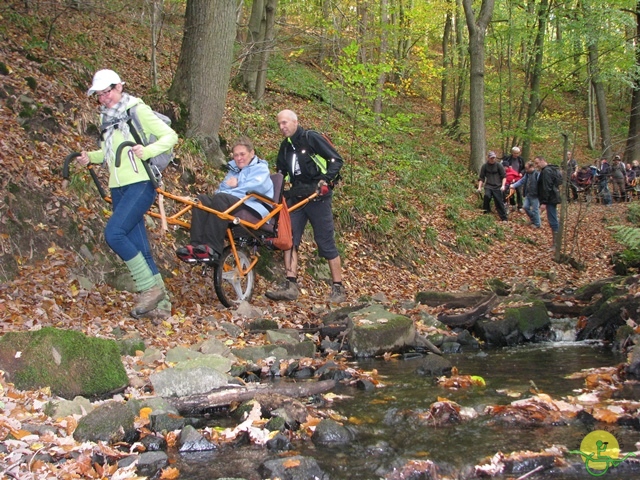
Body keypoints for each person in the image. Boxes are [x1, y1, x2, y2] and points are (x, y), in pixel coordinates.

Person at [78, 69, 178, 318]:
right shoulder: (106, 118)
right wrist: (89, 157)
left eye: (107, 92)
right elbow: (108, 154)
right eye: (99, 95)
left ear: (119, 87)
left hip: (141, 182)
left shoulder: (136, 109)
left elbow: (170, 136)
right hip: (118, 186)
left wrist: (148, 150)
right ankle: (162, 306)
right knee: (139, 247)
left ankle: (148, 288)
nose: (103, 98)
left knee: (114, 233)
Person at [265, 109, 346, 303]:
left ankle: (338, 288)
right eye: (279, 124)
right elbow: (281, 173)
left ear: (295, 121)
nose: (282, 127)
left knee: (325, 241)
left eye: (285, 123)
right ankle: (290, 284)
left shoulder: (311, 138)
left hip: (318, 197)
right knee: (289, 239)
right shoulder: (285, 147)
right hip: (295, 198)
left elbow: (336, 160)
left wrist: (325, 181)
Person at [176, 137, 274, 263]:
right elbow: (223, 188)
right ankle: (195, 246)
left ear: (252, 153)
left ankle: (213, 247)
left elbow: (256, 188)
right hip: (234, 200)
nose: (239, 158)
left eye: (242, 154)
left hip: (252, 205)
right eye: (236, 155)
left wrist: (238, 182)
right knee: (202, 200)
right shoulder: (234, 170)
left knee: (221, 199)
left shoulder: (260, 169)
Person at [535, 156, 562, 248]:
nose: (537, 165)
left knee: (553, 220)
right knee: (553, 219)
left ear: (543, 161)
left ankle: (556, 244)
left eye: (537, 163)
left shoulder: (547, 171)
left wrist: (544, 202)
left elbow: (546, 187)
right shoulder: (552, 169)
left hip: (550, 199)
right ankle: (556, 243)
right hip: (552, 197)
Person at [477, 151, 508, 221]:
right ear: (488, 158)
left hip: (497, 186)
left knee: (499, 202)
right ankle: (486, 213)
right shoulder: (484, 166)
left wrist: (503, 185)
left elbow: (504, 176)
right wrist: (479, 187)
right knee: (486, 197)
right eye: (491, 158)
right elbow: (481, 178)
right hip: (488, 186)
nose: (493, 159)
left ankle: (504, 218)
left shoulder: (499, 166)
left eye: (494, 158)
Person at [509, 161, 540, 228]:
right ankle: (533, 219)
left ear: (531, 167)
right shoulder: (527, 174)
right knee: (525, 207)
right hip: (528, 194)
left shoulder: (537, 174)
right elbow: (522, 181)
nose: (526, 170)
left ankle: (537, 223)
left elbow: (541, 184)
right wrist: (514, 185)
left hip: (535, 195)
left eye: (527, 168)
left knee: (535, 210)